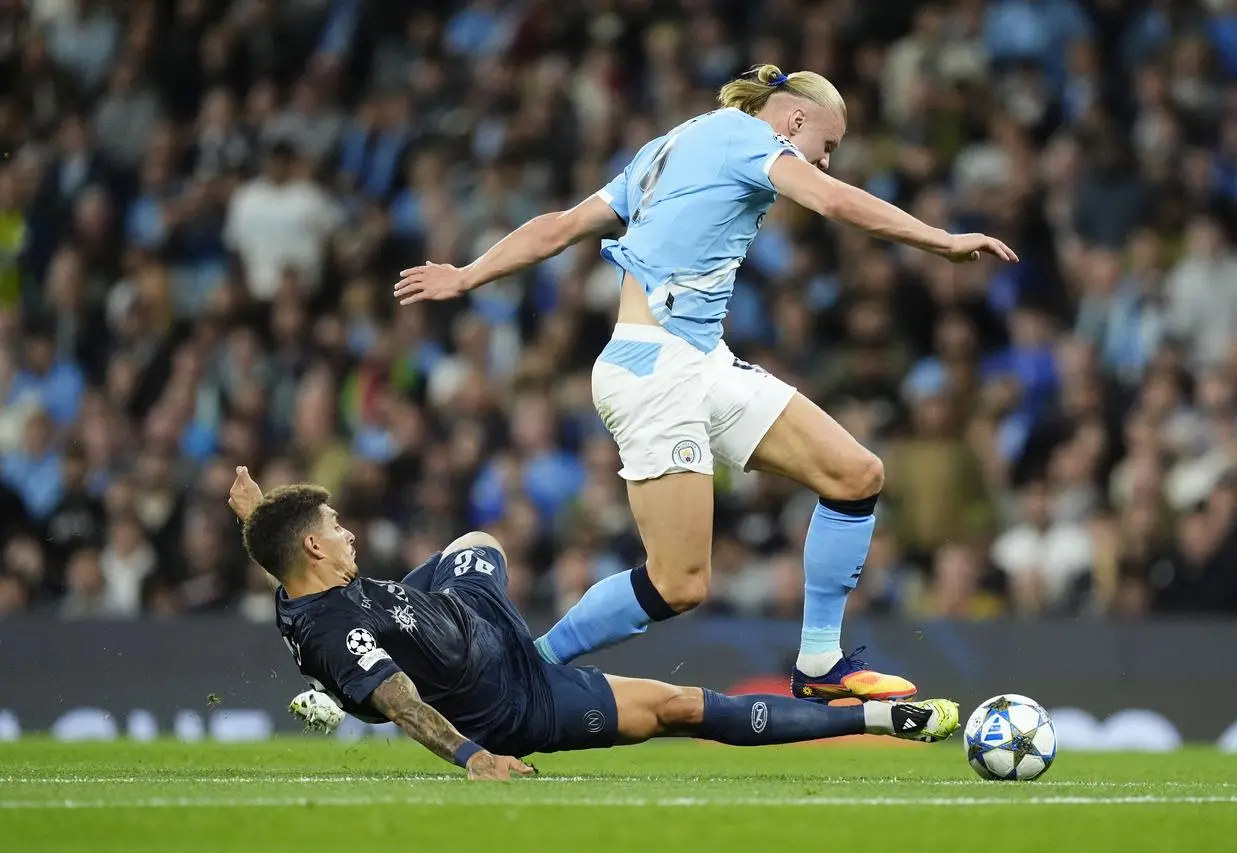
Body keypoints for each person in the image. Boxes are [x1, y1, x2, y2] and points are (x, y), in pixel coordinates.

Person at [392, 65, 1018, 703]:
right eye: (826, 147)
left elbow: (558, 226)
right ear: (795, 120)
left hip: (700, 360)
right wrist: (940, 240)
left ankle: (819, 664)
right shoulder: (744, 137)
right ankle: (526, 666)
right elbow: (831, 202)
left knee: (856, 474)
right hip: (653, 370)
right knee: (679, 584)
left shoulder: (666, 149)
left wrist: (469, 274)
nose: (825, 164)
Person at [228, 468, 959, 780]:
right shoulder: (331, 628)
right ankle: (883, 717)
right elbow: (401, 703)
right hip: (513, 699)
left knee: (477, 543)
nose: (349, 531)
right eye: (335, 527)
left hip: (471, 618)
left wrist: (256, 515)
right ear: (317, 548)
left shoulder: (303, 579)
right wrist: (476, 758)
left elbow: (289, 566)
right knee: (684, 707)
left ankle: (535, 648)